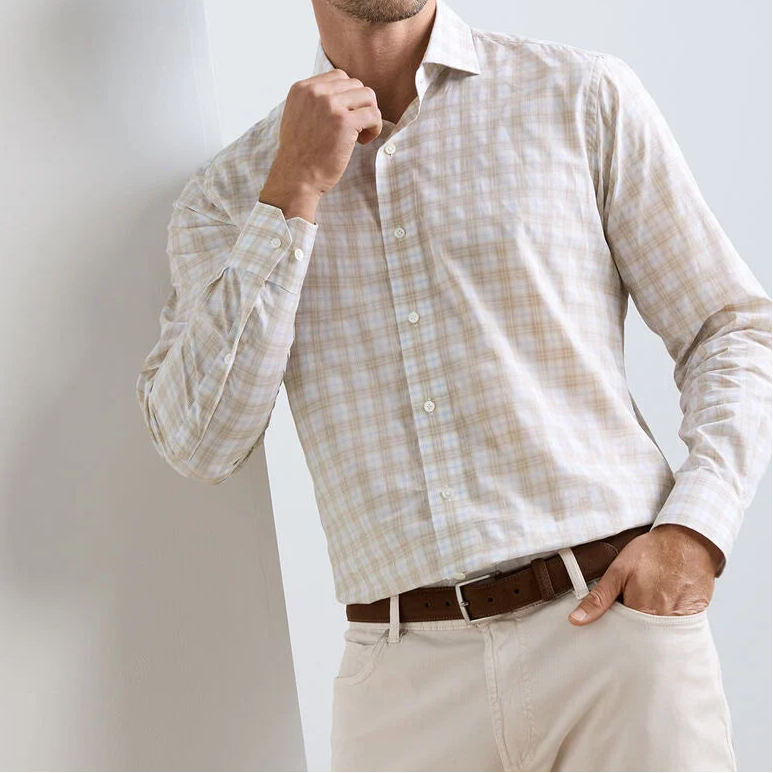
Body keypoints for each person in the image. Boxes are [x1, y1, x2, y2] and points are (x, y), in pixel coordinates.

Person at [135, 1, 771, 770]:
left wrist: (695, 530)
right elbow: (201, 442)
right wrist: (290, 193)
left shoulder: (577, 94)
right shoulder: (232, 195)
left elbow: (728, 327)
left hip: (611, 640)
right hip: (401, 687)